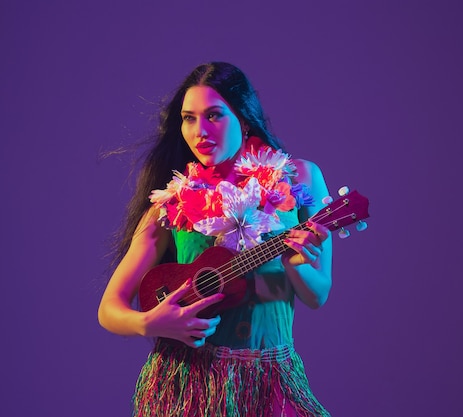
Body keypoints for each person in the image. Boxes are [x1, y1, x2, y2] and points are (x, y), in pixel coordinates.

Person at [98, 62, 332, 417]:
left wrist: (292, 263)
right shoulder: (168, 204)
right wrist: (149, 323)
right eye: (188, 118)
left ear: (245, 119)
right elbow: (109, 309)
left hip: (271, 381)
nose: (199, 131)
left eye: (213, 116)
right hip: (188, 386)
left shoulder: (300, 179)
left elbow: (317, 295)